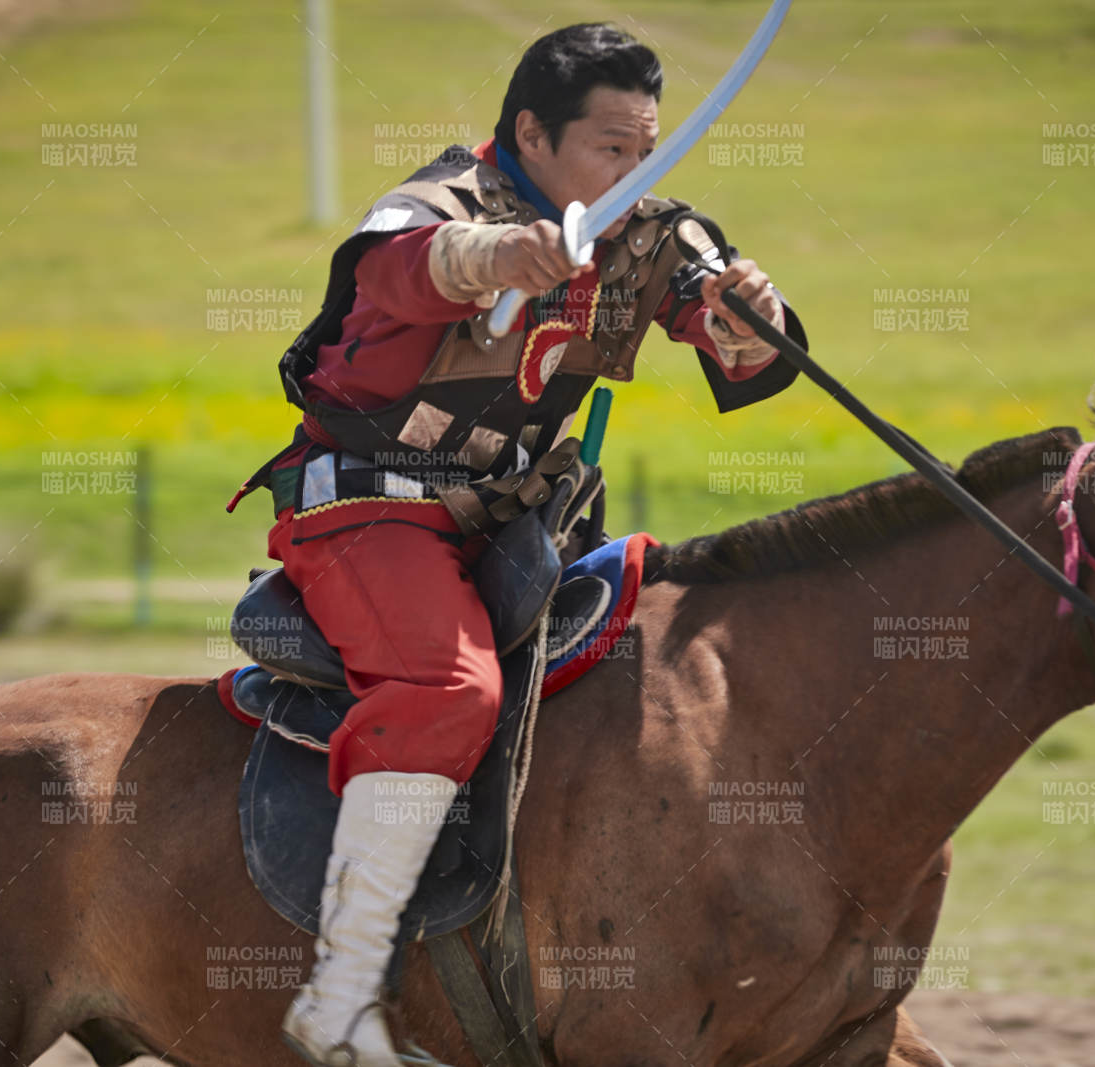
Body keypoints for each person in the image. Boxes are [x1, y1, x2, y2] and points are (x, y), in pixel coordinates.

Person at [228, 22, 805, 1066]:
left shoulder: (650, 225)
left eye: (645, 149)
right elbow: (393, 272)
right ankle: (341, 998)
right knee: (449, 692)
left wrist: (754, 317)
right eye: (609, 149)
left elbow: (744, 356)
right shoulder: (439, 203)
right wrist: (489, 254)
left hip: (524, 528)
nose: (634, 171)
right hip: (368, 509)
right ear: (531, 133)